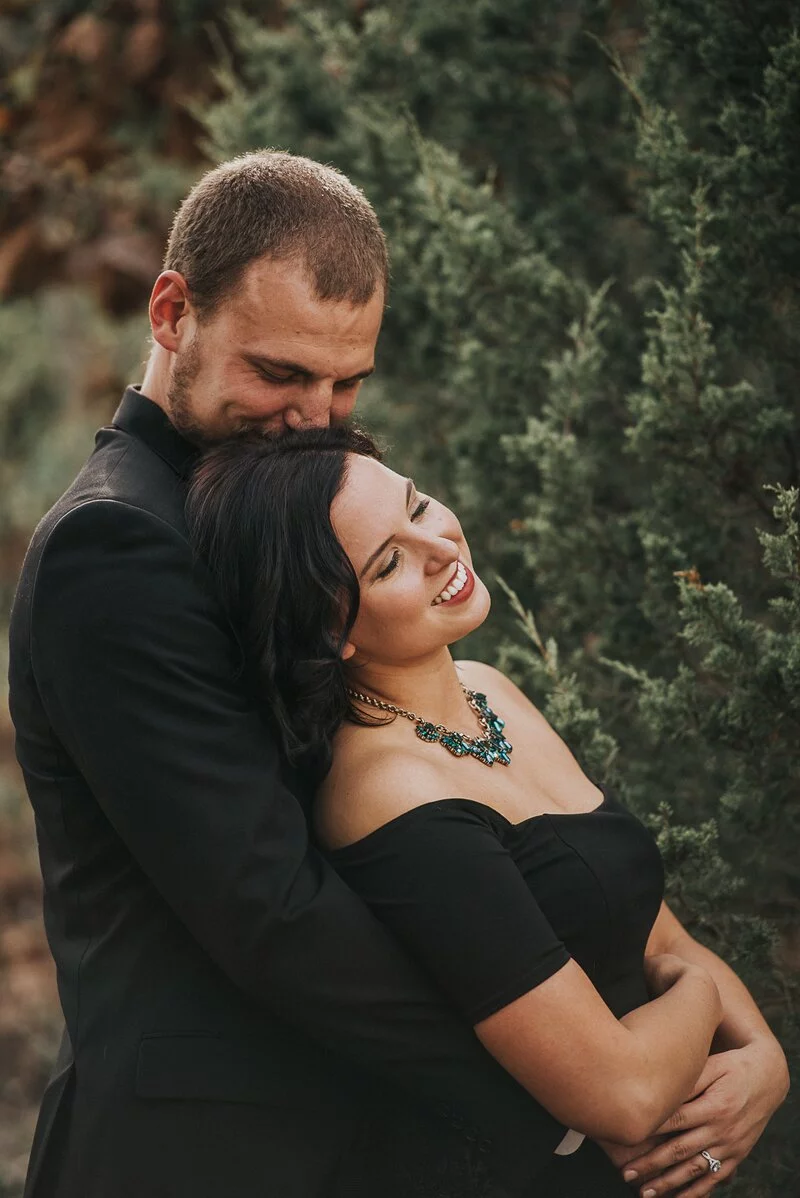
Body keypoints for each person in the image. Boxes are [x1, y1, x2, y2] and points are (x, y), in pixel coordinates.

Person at [7, 149, 786, 1198]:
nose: (311, 413)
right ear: (170, 310)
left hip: (368, 1140)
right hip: (206, 1151)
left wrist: (730, 1050)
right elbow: (273, 911)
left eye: (345, 383)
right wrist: (570, 1085)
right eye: (279, 374)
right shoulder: (119, 544)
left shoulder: (295, 495)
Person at [185, 425, 790, 1198]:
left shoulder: (489, 687)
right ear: (329, 628)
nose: (440, 546)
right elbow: (624, 1095)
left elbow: (663, 936)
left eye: (419, 505)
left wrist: (765, 1061)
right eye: (391, 561)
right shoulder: (386, 794)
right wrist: (700, 999)